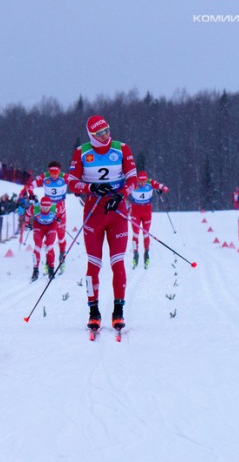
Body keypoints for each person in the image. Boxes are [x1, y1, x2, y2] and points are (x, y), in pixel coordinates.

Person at [67, 115, 137, 332]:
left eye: (107, 130)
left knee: (118, 263)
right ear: (92, 136)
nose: (106, 136)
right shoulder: (82, 152)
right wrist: (91, 188)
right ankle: (93, 312)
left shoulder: (122, 149)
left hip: (117, 212)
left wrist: (122, 194)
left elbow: (133, 179)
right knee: (93, 265)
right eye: (100, 134)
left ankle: (118, 312)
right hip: (93, 213)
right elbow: (71, 181)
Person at [22, 160, 70, 274]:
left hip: (60, 211)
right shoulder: (44, 177)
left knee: (61, 237)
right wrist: (31, 194)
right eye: (51, 172)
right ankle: (49, 263)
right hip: (46, 209)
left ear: (59, 171)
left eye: (56, 172)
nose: (53, 175)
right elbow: (30, 186)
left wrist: (79, 192)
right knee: (49, 242)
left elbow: (77, 184)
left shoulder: (65, 177)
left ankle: (62, 257)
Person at [129, 170, 169, 269]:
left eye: (144, 181)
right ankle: (135, 254)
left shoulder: (150, 182)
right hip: (135, 211)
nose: (142, 183)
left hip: (146, 211)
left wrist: (162, 189)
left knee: (146, 233)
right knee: (135, 234)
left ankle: (146, 253)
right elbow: (123, 190)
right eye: (140, 181)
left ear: (146, 179)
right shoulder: (133, 182)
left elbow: (163, 187)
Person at [29, 197, 59, 281]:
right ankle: (35, 270)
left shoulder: (55, 208)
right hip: (38, 226)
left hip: (51, 226)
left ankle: (51, 270)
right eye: (43, 207)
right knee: (37, 247)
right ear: (40, 206)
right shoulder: (35, 208)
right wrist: (28, 222)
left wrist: (59, 219)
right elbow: (27, 214)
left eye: (47, 207)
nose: (45, 209)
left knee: (49, 246)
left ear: (50, 206)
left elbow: (62, 214)